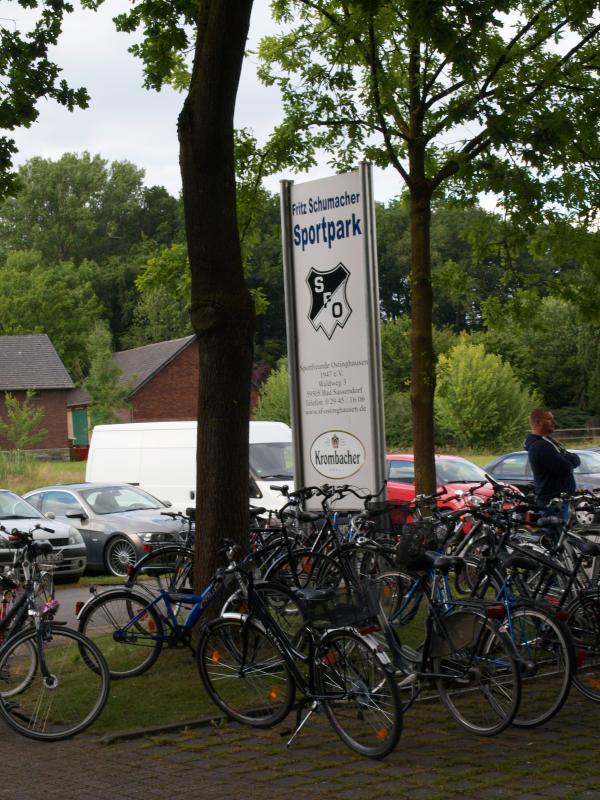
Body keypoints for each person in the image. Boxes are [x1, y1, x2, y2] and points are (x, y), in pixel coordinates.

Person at [524, 408, 580, 508]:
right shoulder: (541, 446)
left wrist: (566, 456)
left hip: (560, 501)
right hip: (552, 504)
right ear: (538, 422)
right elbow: (565, 468)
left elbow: (576, 459)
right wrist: (567, 457)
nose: (554, 422)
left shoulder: (549, 442)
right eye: (549, 419)